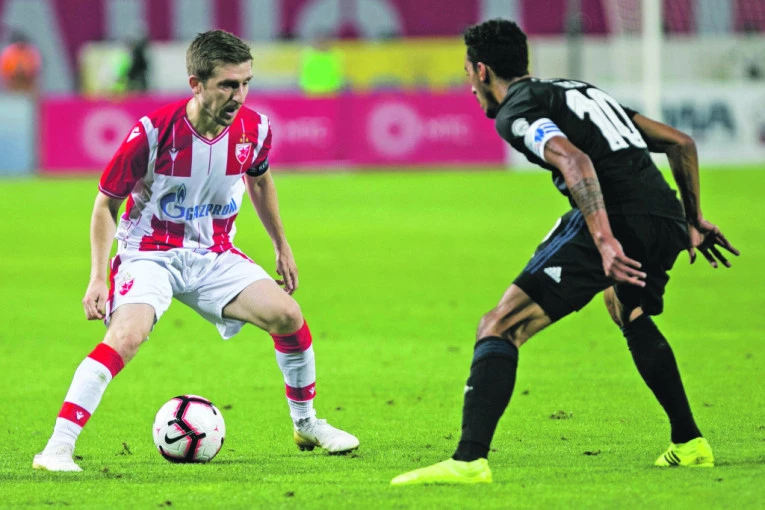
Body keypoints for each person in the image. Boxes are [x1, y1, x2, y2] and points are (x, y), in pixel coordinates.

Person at [391, 18, 739, 485]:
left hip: (619, 217)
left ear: (482, 70)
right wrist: (693, 218)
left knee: (500, 325)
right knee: (625, 307)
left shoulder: (517, 109)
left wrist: (605, 240)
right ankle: (689, 443)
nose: (470, 86)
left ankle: (468, 461)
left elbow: (574, 159)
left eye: (468, 73)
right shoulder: (577, 91)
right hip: (665, 217)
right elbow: (680, 142)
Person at [33, 30, 359, 472]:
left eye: (245, 83)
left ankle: (307, 423)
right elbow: (106, 204)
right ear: (196, 84)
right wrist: (96, 277)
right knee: (126, 337)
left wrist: (281, 244)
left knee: (288, 316)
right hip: (149, 252)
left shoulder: (255, 129)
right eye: (227, 85)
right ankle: (57, 448)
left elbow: (260, 180)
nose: (238, 95)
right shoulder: (153, 133)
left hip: (212, 254)